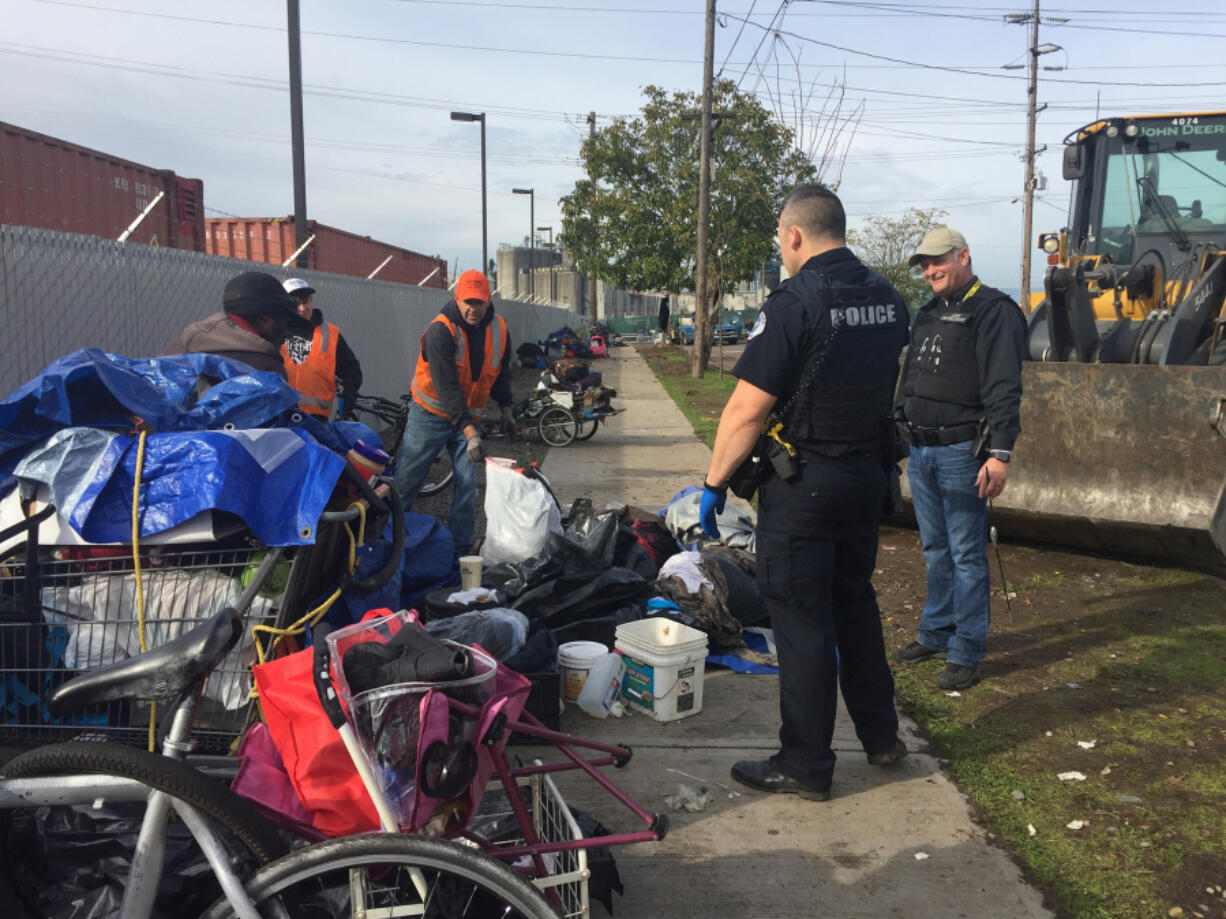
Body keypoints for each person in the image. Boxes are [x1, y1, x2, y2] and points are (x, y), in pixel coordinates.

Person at [699, 184, 910, 801]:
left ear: (794, 235)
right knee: (854, 605)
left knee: (802, 623)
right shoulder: (888, 297)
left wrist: (713, 485)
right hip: (867, 481)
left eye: (780, 241)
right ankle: (882, 737)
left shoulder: (796, 302)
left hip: (805, 487)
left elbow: (746, 411)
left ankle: (806, 763)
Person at [892, 227, 1026, 691]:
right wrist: (898, 424)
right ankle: (935, 632)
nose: (930, 271)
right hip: (922, 448)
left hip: (960, 452)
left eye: (938, 262)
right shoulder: (928, 312)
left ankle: (966, 650)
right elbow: (909, 376)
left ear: (963, 256)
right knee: (935, 549)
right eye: (925, 265)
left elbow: (1004, 388)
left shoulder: (994, 311)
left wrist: (1000, 454)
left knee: (967, 553)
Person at [395, 269, 513, 554]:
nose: (474, 309)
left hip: (467, 421)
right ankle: (385, 537)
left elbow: (501, 372)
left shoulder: (499, 329)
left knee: (468, 484)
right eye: (468, 302)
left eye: (480, 302)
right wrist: (471, 432)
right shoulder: (441, 331)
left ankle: (459, 553)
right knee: (407, 481)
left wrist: (506, 407)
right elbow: (447, 387)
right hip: (430, 416)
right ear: (457, 299)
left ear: (489, 301)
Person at [162, 271, 298, 377]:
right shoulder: (266, 368)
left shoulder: (173, 352)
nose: (287, 332)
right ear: (265, 318)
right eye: (286, 321)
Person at [279, 278, 364, 421]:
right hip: (281, 416)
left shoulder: (330, 334)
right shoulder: (275, 331)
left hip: (317, 420)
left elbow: (351, 369)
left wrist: (349, 392)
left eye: (305, 301)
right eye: (296, 303)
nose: (302, 308)